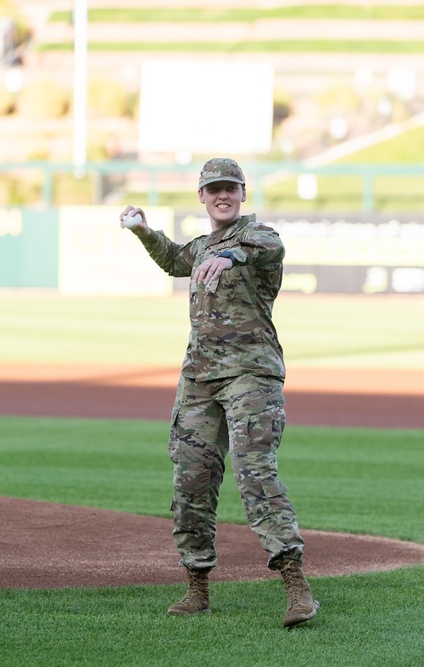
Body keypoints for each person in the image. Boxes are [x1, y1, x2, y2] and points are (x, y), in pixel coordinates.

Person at [120, 157, 319, 628]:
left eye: (230, 187)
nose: (222, 195)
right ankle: (197, 586)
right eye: (213, 189)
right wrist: (144, 232)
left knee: (255, 475)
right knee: (190, 480)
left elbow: (265, 248)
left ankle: (296, 586)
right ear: (202, 197)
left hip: (251, 374)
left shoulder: (258, 236)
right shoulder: (203, 244)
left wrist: (228, 255)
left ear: (243, 193)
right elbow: (173, 260)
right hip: (199, 379)